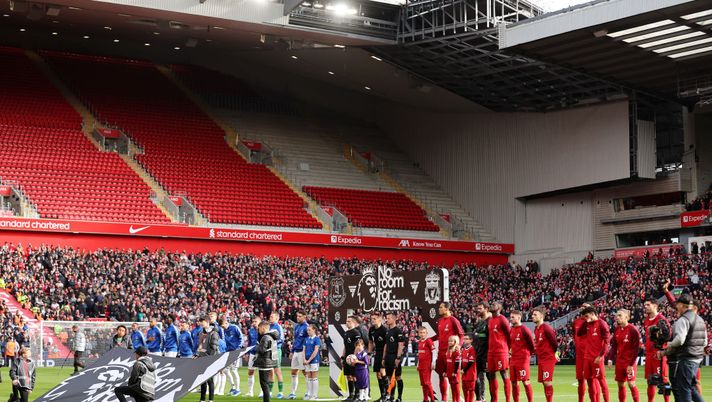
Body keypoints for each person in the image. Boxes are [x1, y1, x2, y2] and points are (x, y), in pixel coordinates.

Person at [657, 294, 708, 402]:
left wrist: (669, 345)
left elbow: (680, 340)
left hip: (686, 359)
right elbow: (705, 342)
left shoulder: (683, 320)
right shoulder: (700, 319)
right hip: (697, 359)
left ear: (682, 305)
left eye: (678, 304)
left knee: (684, 391)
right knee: (692, 388)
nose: (676, 307)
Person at [607, 309, 641, 402]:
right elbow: (614, 346)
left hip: (629, 362)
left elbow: (636, 349)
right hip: (619, 362)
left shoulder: (633, 330)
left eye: (620, 315)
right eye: (617, 315)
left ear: (627, 317)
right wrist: (610, 359)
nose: (617, 317)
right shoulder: (617, 329)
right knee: (620, 385)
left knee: (631, 384)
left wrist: (631, 364)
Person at [578, 306, 611, 402]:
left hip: (597, 358)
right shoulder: (587, 324)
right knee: (589, 381)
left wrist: (601, 356)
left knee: (601, 381)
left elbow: (606, 342)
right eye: (584, 317)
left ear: (593, 314)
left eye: (587, 316)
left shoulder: (602, 324)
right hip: (587, 357)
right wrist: (585, 321)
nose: (586, 318)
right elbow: (579, 333)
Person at [434, 302, 464, 402]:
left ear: (447, 309)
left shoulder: (453, 320)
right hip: (441, 353)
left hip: (451, 354)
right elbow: (438, 336)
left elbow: (461, 335)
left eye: (441, 307)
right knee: (441, 376)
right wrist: (427, 339)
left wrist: (458, 346)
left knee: (453, 379)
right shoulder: (440, 321)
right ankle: (444, 399)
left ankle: (456, 400)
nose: (439, 309)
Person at [642, 298, 670, 402]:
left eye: (648, 305)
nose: (645, 307)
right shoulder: (646, 320)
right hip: (649, 355)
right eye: (645, 305)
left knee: (663, 381)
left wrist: (662, 349)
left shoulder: (661, 319)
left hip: (659, 355)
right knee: (650, 381)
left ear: (655, 306)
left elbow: (668, 335)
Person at [533, 307, 559, 402]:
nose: (533, 316)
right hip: (541, 358)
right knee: (544, 382)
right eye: (533, 314)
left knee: (547, 382)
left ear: (541, 316)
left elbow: (555, 343)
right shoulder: (536, 329)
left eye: (535, 315)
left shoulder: (547, 328)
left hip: (548, 358)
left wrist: (554, 353)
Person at [488, 302, 512, 402]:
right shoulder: (490, 320)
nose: (491, 305)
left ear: (499, 308)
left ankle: (507, 400)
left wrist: (509, 349)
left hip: (501, 351)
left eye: (494, 305)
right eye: (491, 304)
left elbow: (509, 335)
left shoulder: (502, 319)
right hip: (491, 351)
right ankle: (495, 400)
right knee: (491, 374)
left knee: (504, 373)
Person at [510, 310, 534, 402]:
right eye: (511, 317)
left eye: (513, 317)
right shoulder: (511, 329)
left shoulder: (524, 329)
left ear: (519, 317)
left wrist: (527, 355)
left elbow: (531, 344)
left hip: (523, 359)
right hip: (513, 360)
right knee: (514, 382)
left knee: (525, 381)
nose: (511, 319)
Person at [195, 316, 220, 402]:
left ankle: (211, 400)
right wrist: (197, 354)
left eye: (203, 322)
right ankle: (202, 399)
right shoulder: (201, 333)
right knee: (202, 380)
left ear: (207, 322)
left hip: (210, 359)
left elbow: (214, 347)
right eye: (200, 322)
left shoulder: (214, 333)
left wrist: (210, 359)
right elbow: (200, 345)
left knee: (210, 380)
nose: (201, 323)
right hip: (202, 358)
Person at [383, 312, 405, 402]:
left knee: (397, 377)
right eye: (386, 318)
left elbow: (401, 345)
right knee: (388, 377)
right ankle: (391, 397)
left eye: (388, 318)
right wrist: (384, 358)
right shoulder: (387, 331)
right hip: (388, 357)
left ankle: (399, 397)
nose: (386, 320)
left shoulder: (398, 331)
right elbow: (386, 345)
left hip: (394, 356)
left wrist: (398, 357)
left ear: (394, 319)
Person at [255, 321, 279, 402]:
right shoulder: (272, 336)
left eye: (259, 329)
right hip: (269, 362)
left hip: (264, 362)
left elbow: (262, 350)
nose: (258, 331)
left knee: (264, 385)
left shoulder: (265, 337)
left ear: (263, 328)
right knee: (266, 384)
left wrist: (256, 346)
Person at [343, 315, 364, 402]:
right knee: (348, 376)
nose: (347, 323)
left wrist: (354, 357)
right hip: (347, 358)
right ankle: (350, 395)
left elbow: (358, 346)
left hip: (353, 358)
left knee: (355, 376)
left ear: (353, 323)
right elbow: (345, 346)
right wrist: (343, 356)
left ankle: (357, 395)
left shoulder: (356, 333)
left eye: (349, 321)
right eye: (347, 321)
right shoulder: (346, 333)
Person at [222, 317, 245, 396]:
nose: (223, 327)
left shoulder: (234, 328)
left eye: (223, 326)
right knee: (225, 370)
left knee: (234, 370)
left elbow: (241, 338)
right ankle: (233, 387)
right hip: (228, 352)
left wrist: (238, 348)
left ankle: (238, 389)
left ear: (226, 323)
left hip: (235, 351)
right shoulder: (223, 330)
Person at [574, 304, 592, 402]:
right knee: (580, 380)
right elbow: (575, 336)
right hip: (579, 355)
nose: (583, 308)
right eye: (582, 306)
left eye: (586, 307)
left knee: (592, 380)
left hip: (590, 355)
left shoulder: (595, 322)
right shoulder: (576, 322)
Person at [289, 310, 309, 400]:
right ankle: (293, 393)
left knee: (305, 372)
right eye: (297, 316)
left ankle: (308, 392)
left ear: (304, 317)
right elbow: (295, 339)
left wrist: (306, 354)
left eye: (300, 316)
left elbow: (308, 341)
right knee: (293, 372)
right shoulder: (297, 327)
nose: (298, 317)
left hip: (302, 352)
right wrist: (292, 351)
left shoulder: (306, 327)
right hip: (296, 351)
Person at [473, 302, 491, 402]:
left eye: (480, 308)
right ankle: (480, 398)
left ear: (486, 309)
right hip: (478, 354)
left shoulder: (490, 321)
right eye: (477, 308)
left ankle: (494, 399)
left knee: (490, 378)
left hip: (486, 355)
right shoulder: (480, 322)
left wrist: (489, 357)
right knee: (477, 377)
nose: (478, 310)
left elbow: (491, 340)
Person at [370, 312, 389, 402]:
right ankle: (382, 396)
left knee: (382, 372)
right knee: (378, 374)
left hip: (384, 353)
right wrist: (369, 353)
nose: (372, 320)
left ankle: (388, 395)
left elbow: (386, 344)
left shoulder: (384, 330)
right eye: (372, 318)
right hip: (377, 353)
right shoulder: (371, 329)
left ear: (380, 319)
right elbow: (370, 342)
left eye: (374, 319)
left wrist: (384, 357)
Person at [417, 326, 436, 402]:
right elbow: (420, 355)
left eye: (424, 333)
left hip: (427, 365)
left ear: (426, 333)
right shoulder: (419, 342)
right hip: (421, 365)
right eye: (421, 333)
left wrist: (433, 361)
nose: (422, 334)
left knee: (427, 383)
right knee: (423, 384)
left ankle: (432, 399)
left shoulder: (428, 341)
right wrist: (418, 364)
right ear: (418, 333)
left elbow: (434, 351)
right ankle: (425, 399)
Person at [269, 312, 286, 399]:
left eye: (272, 317)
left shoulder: (278, 327)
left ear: (276, 318)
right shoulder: (269, 326)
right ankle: (270, 392)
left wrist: (273, 343)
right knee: (270, 371)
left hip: (275, 350)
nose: (270, 318)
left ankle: (280, 392)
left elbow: (282, 339)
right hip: (269, 351)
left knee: (277, 370)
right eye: (270, 316)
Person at [304, 324, 321, 400]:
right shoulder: (306, 339)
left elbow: (315, 351)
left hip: (314, 360)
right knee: (309, 378)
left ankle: (315, 395)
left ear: (314, 330)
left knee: (314, 377)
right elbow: (303, 350)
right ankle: (310, 394)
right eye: (307, 330)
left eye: (309, 330)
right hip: (306, 360)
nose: (308, 331)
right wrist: (304, 359)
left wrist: (309, 360)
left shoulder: (317, 339)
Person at [246, 316, 262, 397]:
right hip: (252, 353)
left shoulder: (263, 330)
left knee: (261, 373)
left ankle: (262, 392)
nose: (254, 323)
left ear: (259, 322)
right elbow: (249, 343)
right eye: (253, 321)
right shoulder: (251, 330)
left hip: (261, 354)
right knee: (250, 372)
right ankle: (250, 392)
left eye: (255, 321)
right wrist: (247, 353)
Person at [462, 334, 478, 402]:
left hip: (470, 374)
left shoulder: (472, 349)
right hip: (464, 374)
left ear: (471, 340)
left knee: (471, 390)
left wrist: (464, 370)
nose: (465, 340)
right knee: (465, 390)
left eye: (467, 339)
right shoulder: (463, 349)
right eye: (464, 339)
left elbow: (470, 362)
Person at [446, 335, 462, 402]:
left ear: (455, 342)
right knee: (452, 388)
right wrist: (445, 371)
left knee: (456, 388)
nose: (450, 342)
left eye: (451, 341)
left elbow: (457, 363)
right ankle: (454, 400)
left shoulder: (456, 351)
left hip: (454, 373)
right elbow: (447, 362)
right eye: (449, 341)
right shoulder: (448, 350)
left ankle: (457, 400)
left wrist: (455, 372)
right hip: (449, 372)